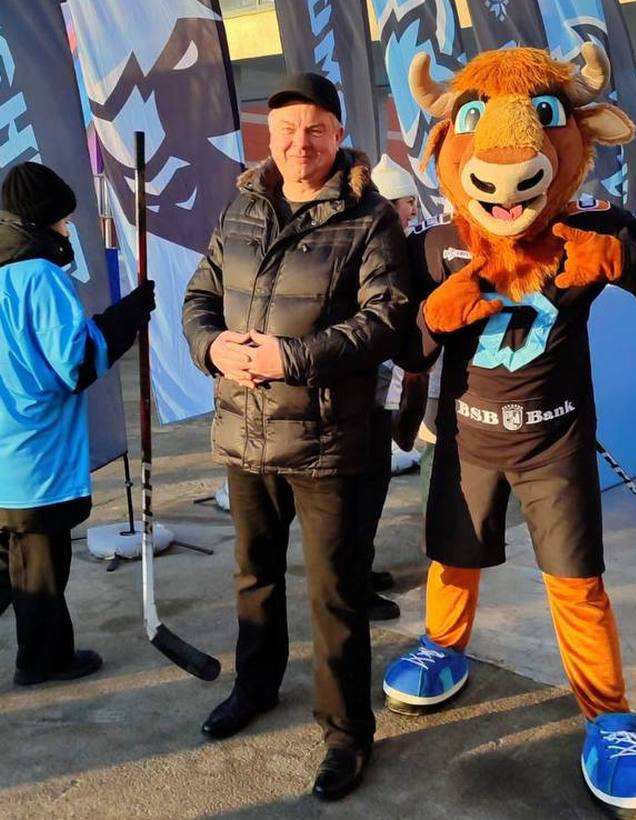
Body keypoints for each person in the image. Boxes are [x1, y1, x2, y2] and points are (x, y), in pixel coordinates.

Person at [382, 46, 636, 816]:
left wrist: (619, 257)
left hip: (556, 439)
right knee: (452, 559)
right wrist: (434, 316)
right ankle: (444, 646)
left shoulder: (591, 224)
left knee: (577, 582)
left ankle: (609, 718)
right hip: (468, 439)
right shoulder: (437, 245)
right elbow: (406, 352)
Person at [182, 73, 411, 801]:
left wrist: (294, 357)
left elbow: (385, 321)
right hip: (244, 429)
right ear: (270, 137)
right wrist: (211, 346)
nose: (298, 144)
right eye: (285, 130)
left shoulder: (370, 219)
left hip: (325, 441)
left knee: (335, 591)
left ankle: (346, 733)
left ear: (338, 134)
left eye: (314, 130)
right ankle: (254, 686)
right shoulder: (242, 206)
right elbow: (200, 295)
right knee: (254, 574)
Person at [0, 161, 155, 685]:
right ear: (42, 220)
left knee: (9, 558)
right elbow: (76, 363)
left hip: (6, 448)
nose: (69, 230)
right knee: (40, 565)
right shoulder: (38, 275)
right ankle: (42, 660)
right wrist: (126, 318)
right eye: (65, 221)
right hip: (35, 451)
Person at [358, 153, 421, 621]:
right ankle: (352, 584)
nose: (414, 210)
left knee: (375, 481)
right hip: (362, 387)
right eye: (407, 203)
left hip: (383, 384)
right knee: (360, 488)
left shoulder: (399, 245)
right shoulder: (370, 247)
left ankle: (360, 568)